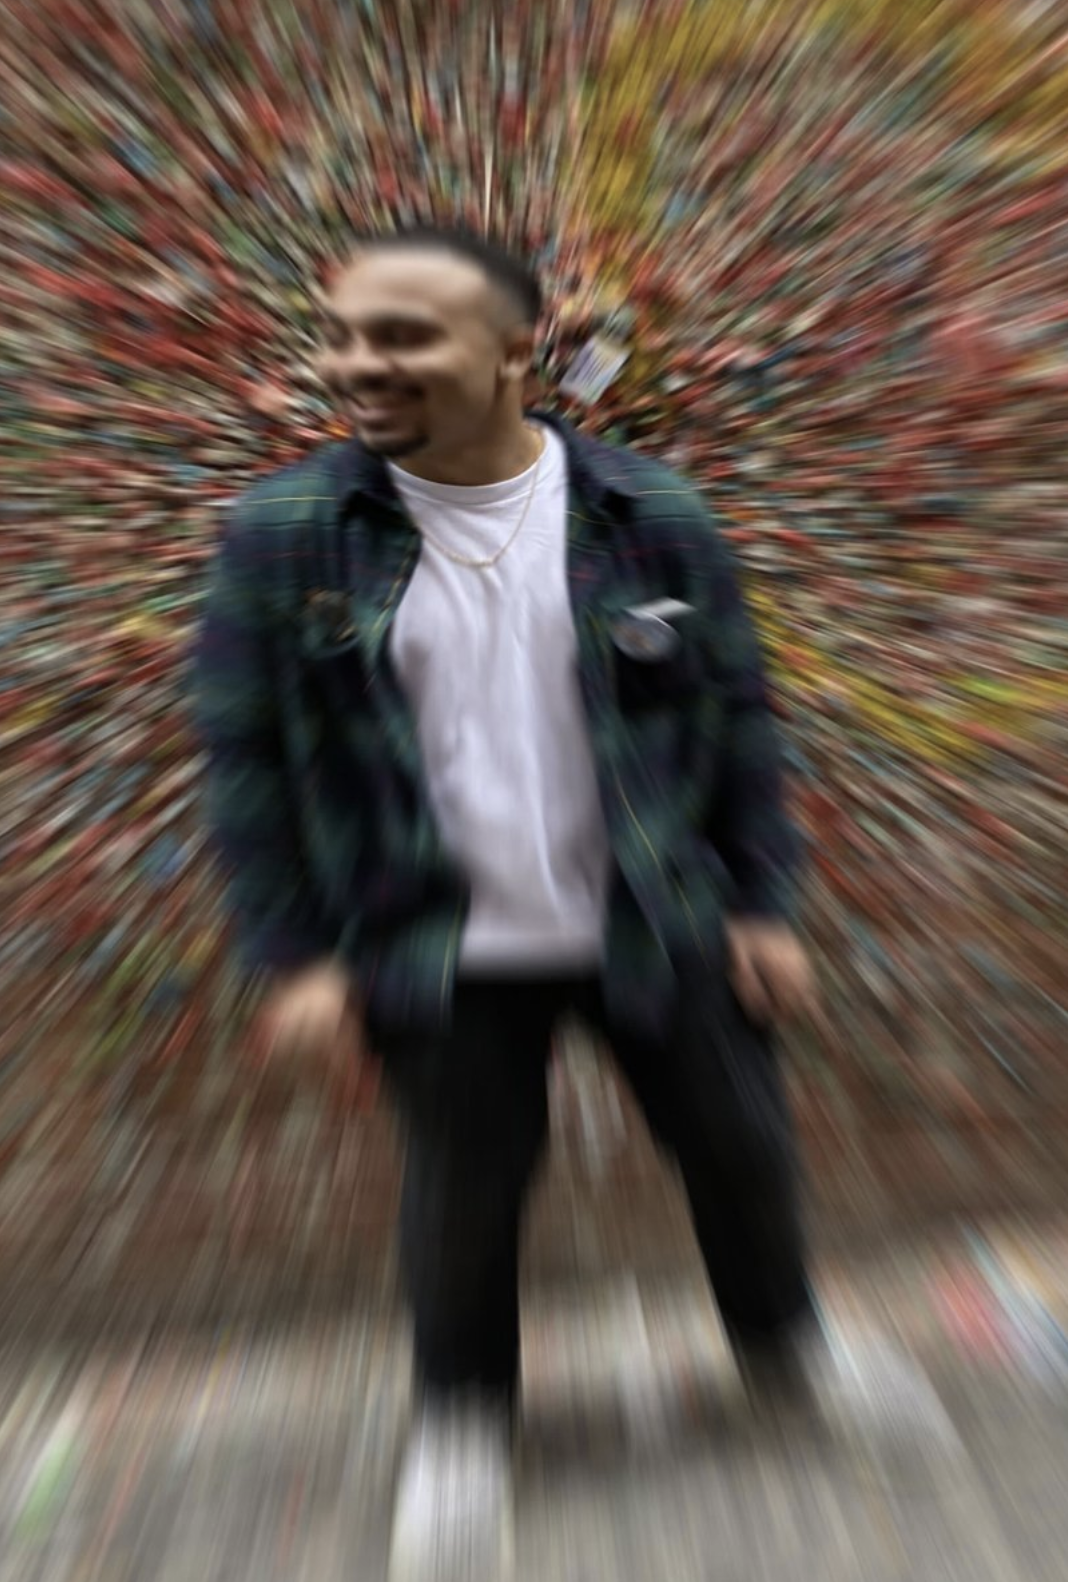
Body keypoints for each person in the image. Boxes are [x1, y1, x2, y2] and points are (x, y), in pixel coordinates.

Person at [190, 225, 948, 1581]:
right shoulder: (288, 533)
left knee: (738, 1143)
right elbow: (244, 758)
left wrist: (765, 900)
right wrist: (292, 953)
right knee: (465, 1191)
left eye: (403, 336)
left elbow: (739, 720)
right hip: (432, 937)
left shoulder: (648, 512)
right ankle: (465, 1420)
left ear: (508, 347)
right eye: (344, 334)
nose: (359, 364)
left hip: (654, 911)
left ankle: (785, 1345)